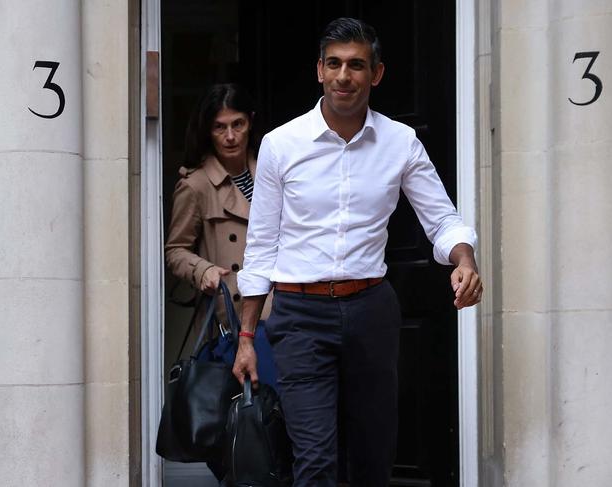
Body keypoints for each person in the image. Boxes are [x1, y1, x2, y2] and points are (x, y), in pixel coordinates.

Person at [233, 17, 482, 487]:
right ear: (319, 71)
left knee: (373, 455)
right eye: (334, 64)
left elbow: (442, 219)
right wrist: (246, 338)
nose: (344, 75)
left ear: (377, 73)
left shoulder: (400, 142)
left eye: (356, 65)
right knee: (315, 458)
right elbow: (262, 245)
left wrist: (464, 260)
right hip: (299, 314)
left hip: (371, 310)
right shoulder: (280, 145)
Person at [165, 83, 272, 324]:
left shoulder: (272, 172)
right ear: (207, 131)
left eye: (238, 124)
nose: (230, 136)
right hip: (232, 314)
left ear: (250, 122)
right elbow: (175, 250)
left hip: (281, 311)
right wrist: (202, 270)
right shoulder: (196, 185)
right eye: (219, 128)